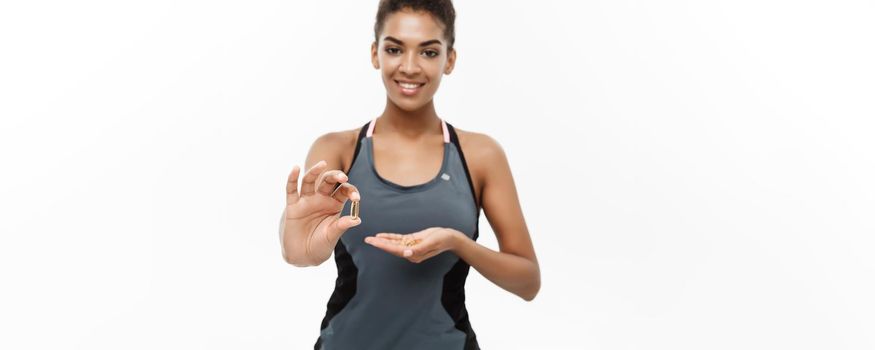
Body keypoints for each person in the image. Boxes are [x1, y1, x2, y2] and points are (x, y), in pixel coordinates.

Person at [279, 1, 540, 349]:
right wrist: (297, 243)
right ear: (375, 54)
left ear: (449, 60)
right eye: (394, 49)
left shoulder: (480, 156)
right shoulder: (337, 150)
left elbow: (528, 282)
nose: (410, 67)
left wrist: (458, 243)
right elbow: (302, 254)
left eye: (429, 52)